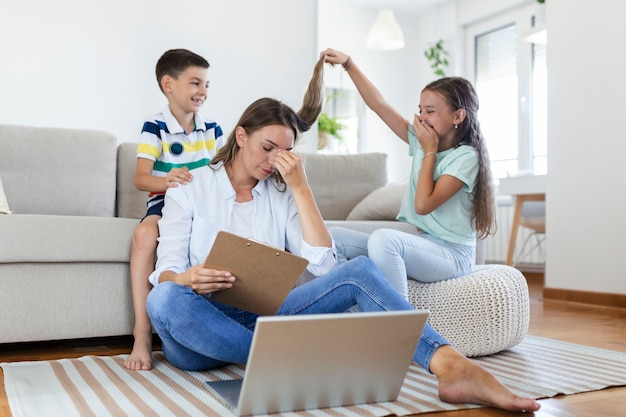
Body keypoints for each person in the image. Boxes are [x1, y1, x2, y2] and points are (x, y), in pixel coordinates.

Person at [145, 55, 539, 413]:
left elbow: (324, 262)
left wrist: (301, 188)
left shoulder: (283, 190)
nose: (273, 162)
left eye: (284, 153)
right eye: (267, 148)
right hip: (200, 329)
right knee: (164, 297)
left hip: (268, 319)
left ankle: (451, 364)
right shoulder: (190, 185)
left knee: (360, 270)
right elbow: (166, 270)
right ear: (242, 136)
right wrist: (186, 279)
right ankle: (286, 361)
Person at [320, 48, 496, 300]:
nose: (421, 118)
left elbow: (423, 205)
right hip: (424, 244)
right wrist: (349, 64)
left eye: (430, 111)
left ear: (458, 115)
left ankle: (400, 324)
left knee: (384, 240)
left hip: (454, 255)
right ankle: (350, 311)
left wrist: (429, 150)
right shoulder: (422, 141)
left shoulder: (466, 157)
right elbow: (379, 105)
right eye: (420, 109)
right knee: (331, 236)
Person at [125, 48, 226, 370]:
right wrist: (166, 178)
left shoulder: (213, 129)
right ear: (169, 84)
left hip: (203, 203)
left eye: (207, 85)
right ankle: (142, 335)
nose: (203, 92)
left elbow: (220, 173)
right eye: (195, 83)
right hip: (164, 200)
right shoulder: (154, 127)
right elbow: (141, 179)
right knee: (144, 233)